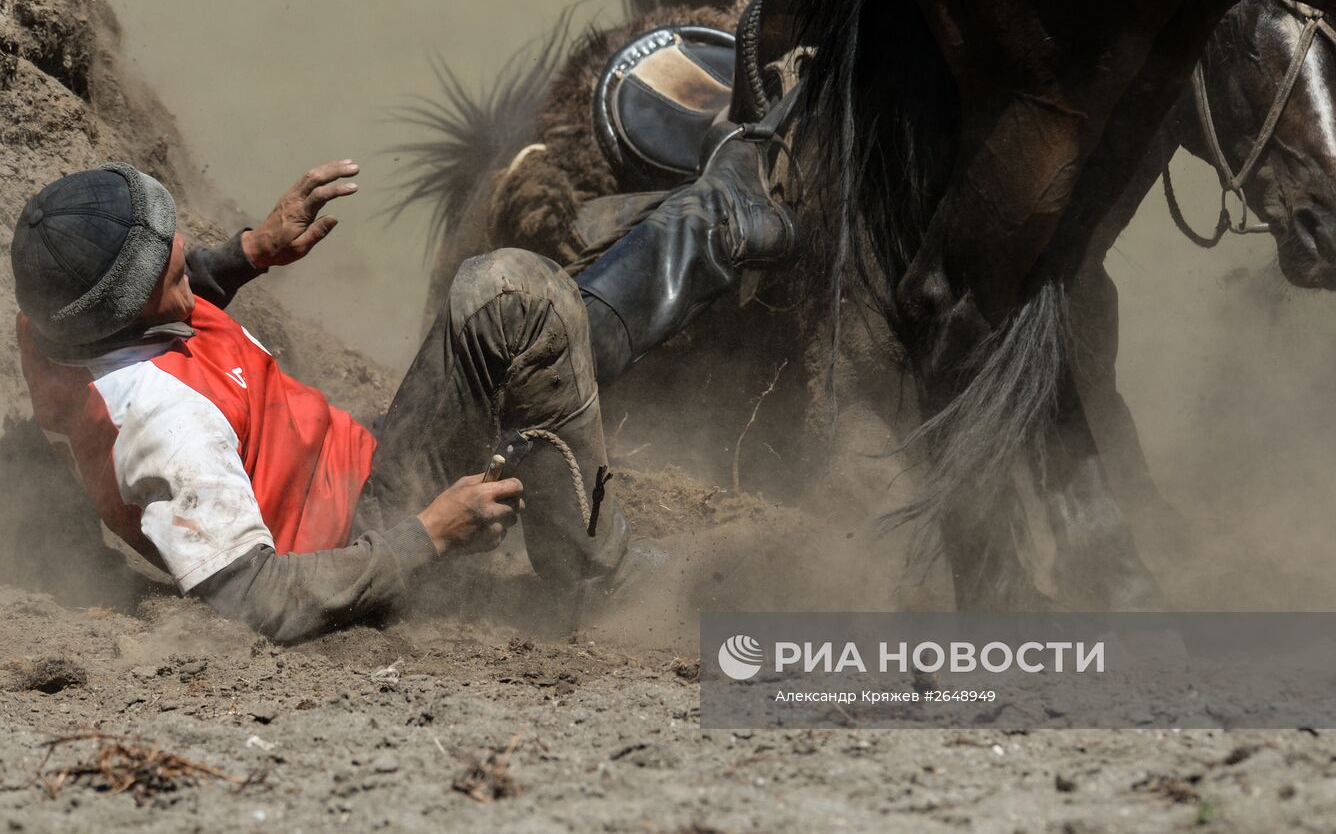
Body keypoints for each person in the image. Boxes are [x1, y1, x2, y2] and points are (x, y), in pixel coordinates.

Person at [11, 113, 796, 642]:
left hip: (363, 466)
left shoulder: (60, 326)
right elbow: (257, 598)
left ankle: (706, 224)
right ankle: (603, 579)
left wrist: (248, 252)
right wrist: (429, 535)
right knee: (513, 298)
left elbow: (152, 316)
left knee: (522, 318)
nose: (183, 247)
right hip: (368, 534)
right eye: (163, 259)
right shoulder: (163, 427)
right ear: (119, 307)